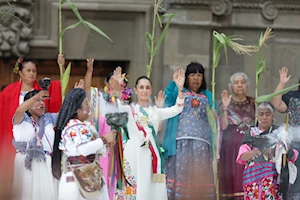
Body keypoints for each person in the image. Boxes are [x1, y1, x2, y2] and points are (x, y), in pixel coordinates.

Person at [113, 67, 185, 200]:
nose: (144, 90)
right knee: (136, 188)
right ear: (135, 90)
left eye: (147, 87)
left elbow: (178, 108)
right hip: (133, 155)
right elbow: (116, 106)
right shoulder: (129, 110)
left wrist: (180, 88)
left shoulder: (156, 111)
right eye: (141, 87)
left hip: (151, 156)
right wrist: (118, 86)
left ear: (151, 90)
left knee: (150, 189)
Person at [0, 56, 62, 197]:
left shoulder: (42, 94)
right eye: (28, 70)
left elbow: (62, 107)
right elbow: (16, 112)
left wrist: (61, 67)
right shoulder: (10, 92)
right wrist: (36, 97)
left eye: (34, 70)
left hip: (43, 154)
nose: (31, 73)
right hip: (20, 137)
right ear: (20, 73)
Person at [163, 62, 216, 199]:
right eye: (192, 75)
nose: (196, 78)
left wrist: (216, 116)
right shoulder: (179, 91)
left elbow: (214, 118)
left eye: (199, 75)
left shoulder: (208, 95)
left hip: (202, 146)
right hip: (181, 143)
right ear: (186, 77)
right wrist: (174, 83)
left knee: (198, 176)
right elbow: (167, 100)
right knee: (181, 175)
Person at [52, 88, 117, 200]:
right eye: (86, 103)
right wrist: (104, 139)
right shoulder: (75, 126)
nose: (89, 106)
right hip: (79, 181)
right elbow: (84, 149)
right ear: (77, 109)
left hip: (79, 178)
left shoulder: (76, 125)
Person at [236, 102, 298, 200]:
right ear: (257, 116)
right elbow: (242, 156)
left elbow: (293, 155)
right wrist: (252, 153)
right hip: (253, 178)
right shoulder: (250, 133)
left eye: (267, 114)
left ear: (273, 116)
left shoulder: (280, 133)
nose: (264, 117)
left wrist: (285, 149)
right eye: (261, 114)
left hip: (273, 177)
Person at [12, 90, 58, 200]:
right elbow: (19, 109)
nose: (41, 103)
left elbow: (66, 114)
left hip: (45, 163)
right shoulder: (21, 118)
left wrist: (76, 93)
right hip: (26, 163)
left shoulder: (49, 118)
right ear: (27, 104)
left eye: (43, 101)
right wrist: (36, 96)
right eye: (38, 101)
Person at [218, 72, 256, 200]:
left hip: (248, 151)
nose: (240, 85)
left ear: (247, 85)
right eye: (236, 82)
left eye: (243, 82)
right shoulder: (225, 103)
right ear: (231, 87)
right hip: (229, 152)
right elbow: (222, 127)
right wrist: (225, 108)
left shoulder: (254, 103)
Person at [270, 66, 300, 200]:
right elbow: (276, 104)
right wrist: (282, 83)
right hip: (296, 146)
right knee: (295, 182)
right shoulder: (293, 96)